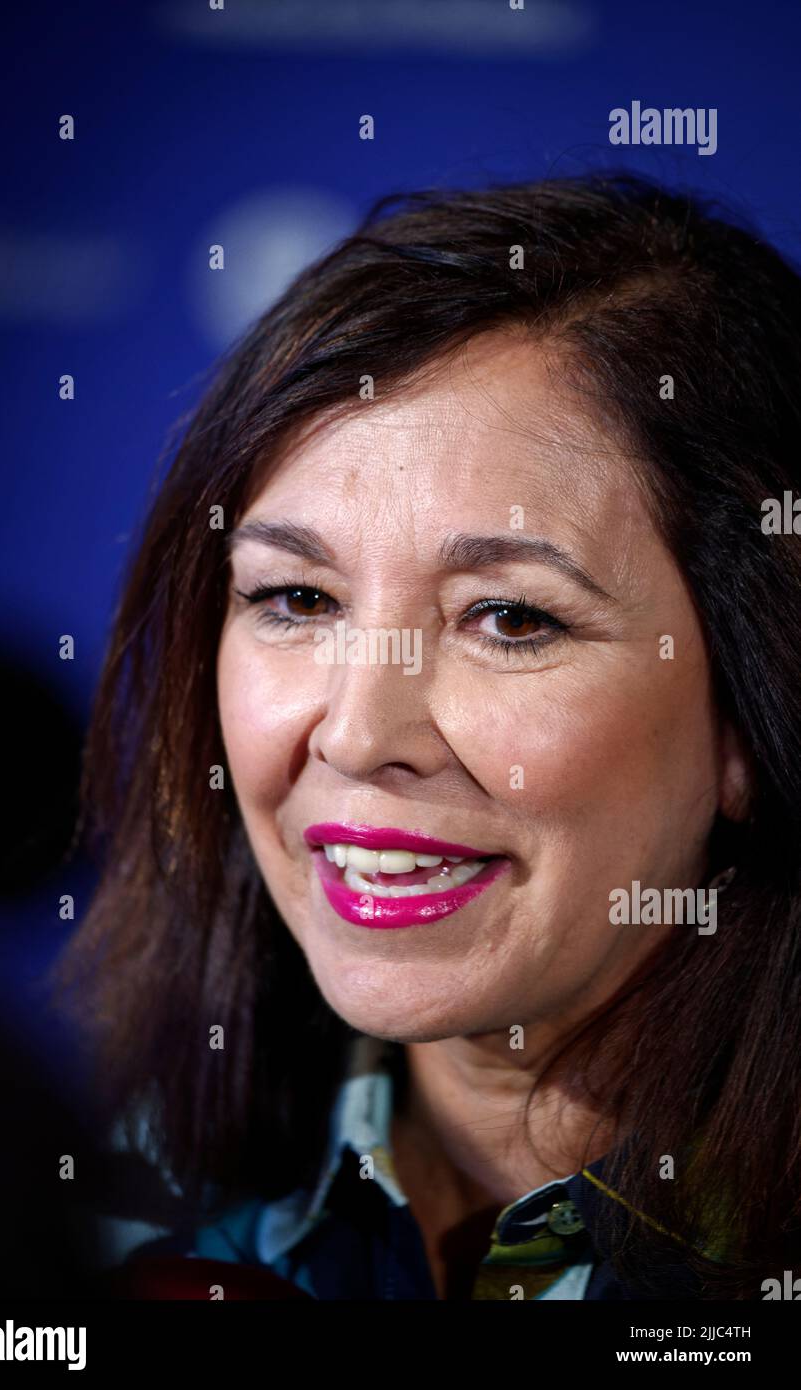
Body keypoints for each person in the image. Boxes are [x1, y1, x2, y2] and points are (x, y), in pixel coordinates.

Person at [55, 172, 801, 1300]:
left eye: (507, 618)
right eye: (295, 600)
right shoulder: (87, 1212)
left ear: (750, 712)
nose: (357, 734)